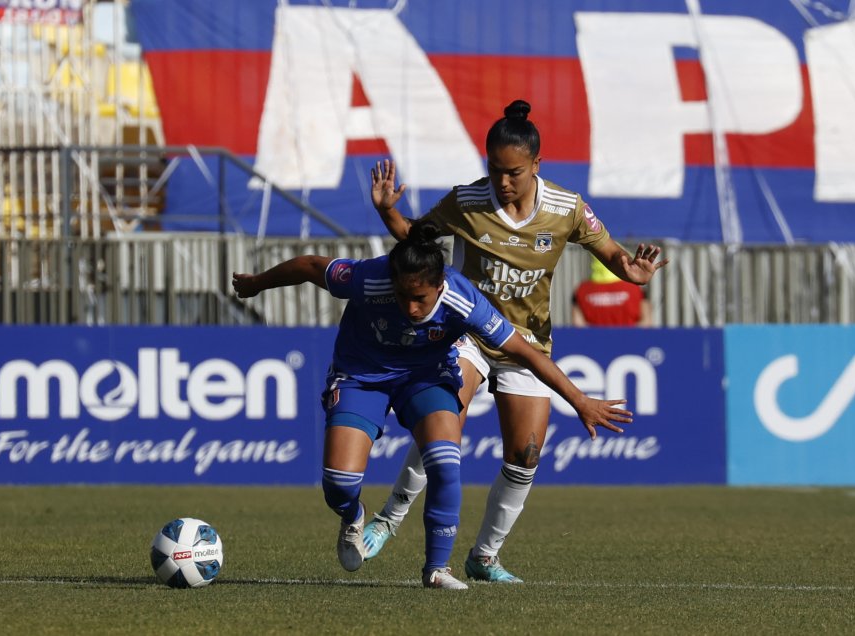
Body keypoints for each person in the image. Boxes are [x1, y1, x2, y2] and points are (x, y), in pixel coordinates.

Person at [232, 220, 632, 589]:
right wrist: (256, 284)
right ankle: (353, 514)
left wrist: (579, 400)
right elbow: (308, 265)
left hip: (425, 377)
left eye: (419, 298)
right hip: (362, 376)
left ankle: (437, 569)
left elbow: (524, 352)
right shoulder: (368, 277)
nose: (410, 307)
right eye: (403, 296)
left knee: (444, 460)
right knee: (339, 484)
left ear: (440, 284)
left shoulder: (464, 299)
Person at [366, 99, 669, 583]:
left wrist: (633, 272)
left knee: (525, 454)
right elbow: (412, 238)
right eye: (494, 170)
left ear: (536, 166)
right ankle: (388, 519)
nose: (502, 182)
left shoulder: (566, 209)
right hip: (466, 333)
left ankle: (484, 556)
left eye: (513, 172)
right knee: (443, 423)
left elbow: (613, 253)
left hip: (526, 341)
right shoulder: (466, 203)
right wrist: (389, 212)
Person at [572, 257, 653, 327]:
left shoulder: (581, 290)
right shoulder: (635, 288)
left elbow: (578, 325)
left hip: (595, 342)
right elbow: (646, 322)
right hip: (630, 342)